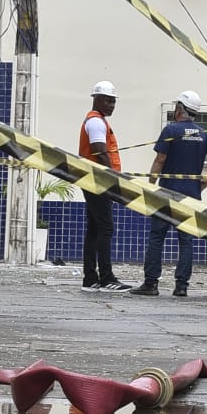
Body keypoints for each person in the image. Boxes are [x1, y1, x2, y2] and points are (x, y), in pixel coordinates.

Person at [132, 91, 207, 297]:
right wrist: (206, 180)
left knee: (157, 237)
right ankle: (181, 286)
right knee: (186, 240)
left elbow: (159, 160)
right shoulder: (202, 134)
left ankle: (151, 284)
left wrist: (150, 185)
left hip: (165, 194)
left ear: (179, 109)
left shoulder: (170, 130)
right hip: (191, 196)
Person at [78, 80, 130, 292]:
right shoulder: (96, 122)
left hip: (92, 180)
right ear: (97, 99)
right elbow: (99, 151)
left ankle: (90, 278)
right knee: (105, 228)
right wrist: (113, 181)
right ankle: (106, 278)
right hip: (98, 181)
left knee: (94, 229)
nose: (111, 105)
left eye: (113, 102)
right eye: (108, 101)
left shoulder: (96, 121)